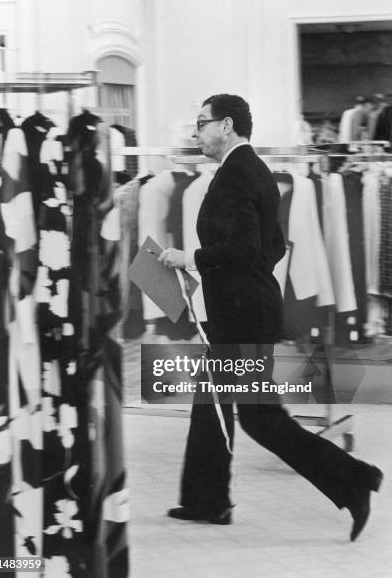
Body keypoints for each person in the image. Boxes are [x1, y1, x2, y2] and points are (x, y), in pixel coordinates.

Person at [157, 94, 383, 541]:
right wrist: (241, 278)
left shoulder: (239, 173)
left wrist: (191, 258)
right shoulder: (251, 170)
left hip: (241, 315)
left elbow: (244, 248)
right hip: (244, 308)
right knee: (213, 406)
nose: (195, 132)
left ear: (226, 125)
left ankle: (355, 479)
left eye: (200, 123)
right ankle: (208, 501)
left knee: (260, 419)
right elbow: (272, 246)